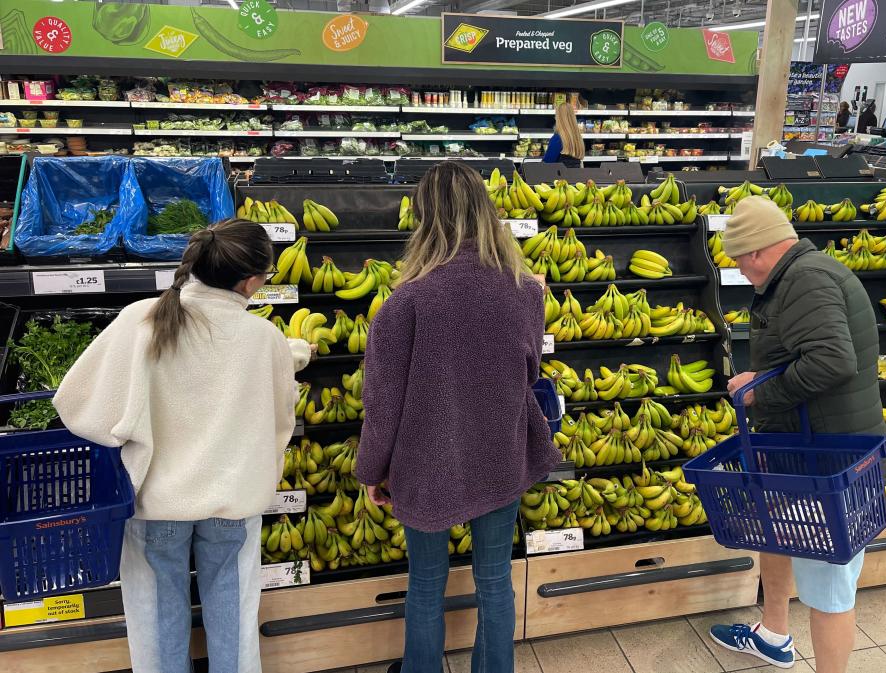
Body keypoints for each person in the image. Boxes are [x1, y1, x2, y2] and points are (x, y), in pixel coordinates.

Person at [53, 219, 312, 673]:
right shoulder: (265, 338)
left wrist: (129, 436)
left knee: (155, 618)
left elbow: (74, 402)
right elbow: (279, 422)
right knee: (234, 616)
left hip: (156, 501)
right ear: (251, 281)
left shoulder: (142, 318)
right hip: (233, 504)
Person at [356, 161, 560, 673]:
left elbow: (383, 401)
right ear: (487, 213)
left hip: (425, 459)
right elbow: (530, 364)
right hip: (500, 448)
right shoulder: (524, 290)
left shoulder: (406, 301)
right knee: (494, 579)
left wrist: (372, 470)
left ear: (424, 219)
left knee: (426, 580)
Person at [708, 197, 886, 673]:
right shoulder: (802, 274)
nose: (742, 274)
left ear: (755, 252)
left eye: (740, 264)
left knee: (829, 587)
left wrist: (759, 393)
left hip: (831, 461)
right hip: (805, 446)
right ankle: (772, 635)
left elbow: (832, 361)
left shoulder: (805, 280)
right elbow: (809, 354)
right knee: (780, 535)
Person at [543, 102, 585, 167]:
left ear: (559, 118)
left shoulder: (557, 139)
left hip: (559, 176)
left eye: (556, 115)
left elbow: (547, 163)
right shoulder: (578, 138)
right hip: (576, 175)